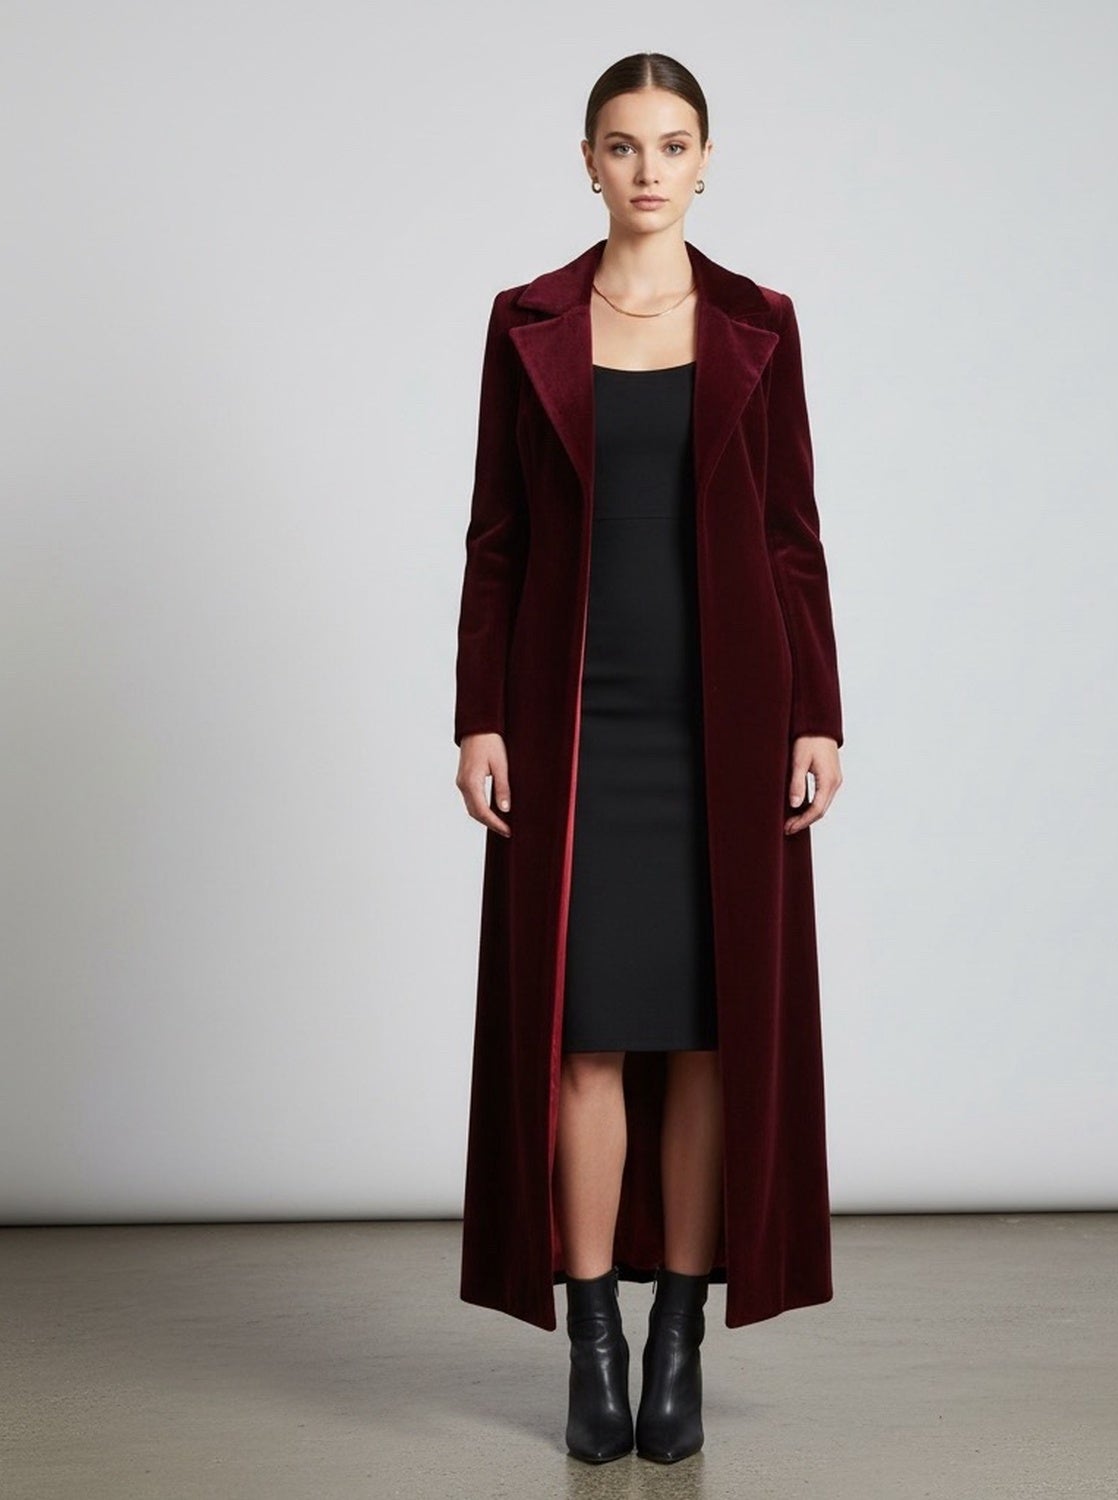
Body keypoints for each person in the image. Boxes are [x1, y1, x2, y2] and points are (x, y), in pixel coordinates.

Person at [452, 52, 845, 1466]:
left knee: (706, 1040)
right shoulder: (529, 322)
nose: (648, 170)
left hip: (723, 722)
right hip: (574, 720)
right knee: (582, 1041)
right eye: (623, 146)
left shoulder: (759, 325)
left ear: (706, 159)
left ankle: (678, 1335)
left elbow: (792, 537)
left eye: (673, 145)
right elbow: (496, 541)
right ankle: (594, 1344)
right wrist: (479, 714)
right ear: (588, 160)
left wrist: (817, 712)